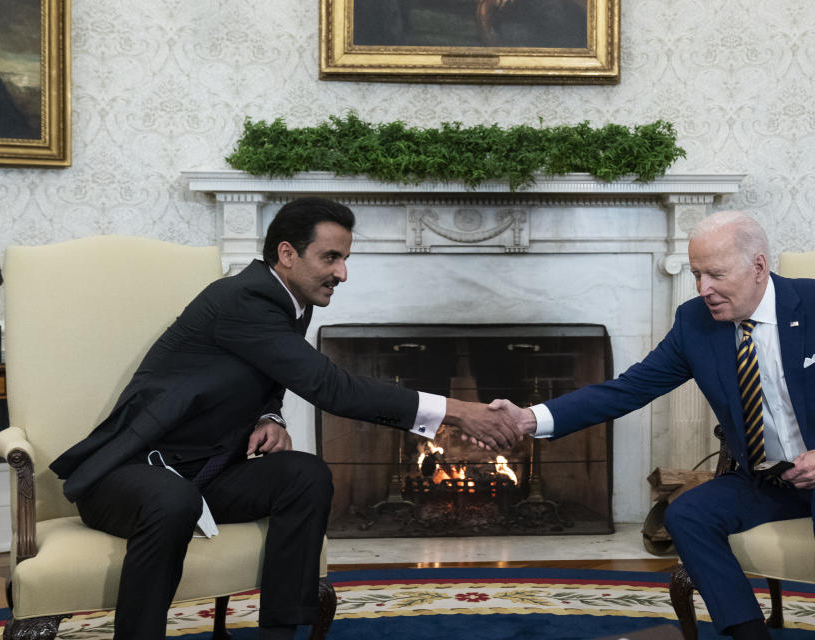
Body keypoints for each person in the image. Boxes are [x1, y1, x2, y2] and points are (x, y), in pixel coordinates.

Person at [50, 197, 521, 640]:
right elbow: (331, 388)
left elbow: (264, 371)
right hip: (133, 473)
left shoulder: (289, 302)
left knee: (305, 475)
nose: (342, 273)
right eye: (331, 258)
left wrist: (269, 414)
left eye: (345, 259)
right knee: (173, 500)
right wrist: (457, 412)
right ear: (287, 254)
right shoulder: (242, 300)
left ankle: (280, 631)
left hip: (206, 473)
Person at [491, 211, 815, 639]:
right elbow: (627, 389)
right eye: (696, 274)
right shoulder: (695, 324)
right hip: (773, 480)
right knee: (687, 513)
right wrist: (532, 418)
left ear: (758, 266)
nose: (704, 288)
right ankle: (749, 634)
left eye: (716, 274)